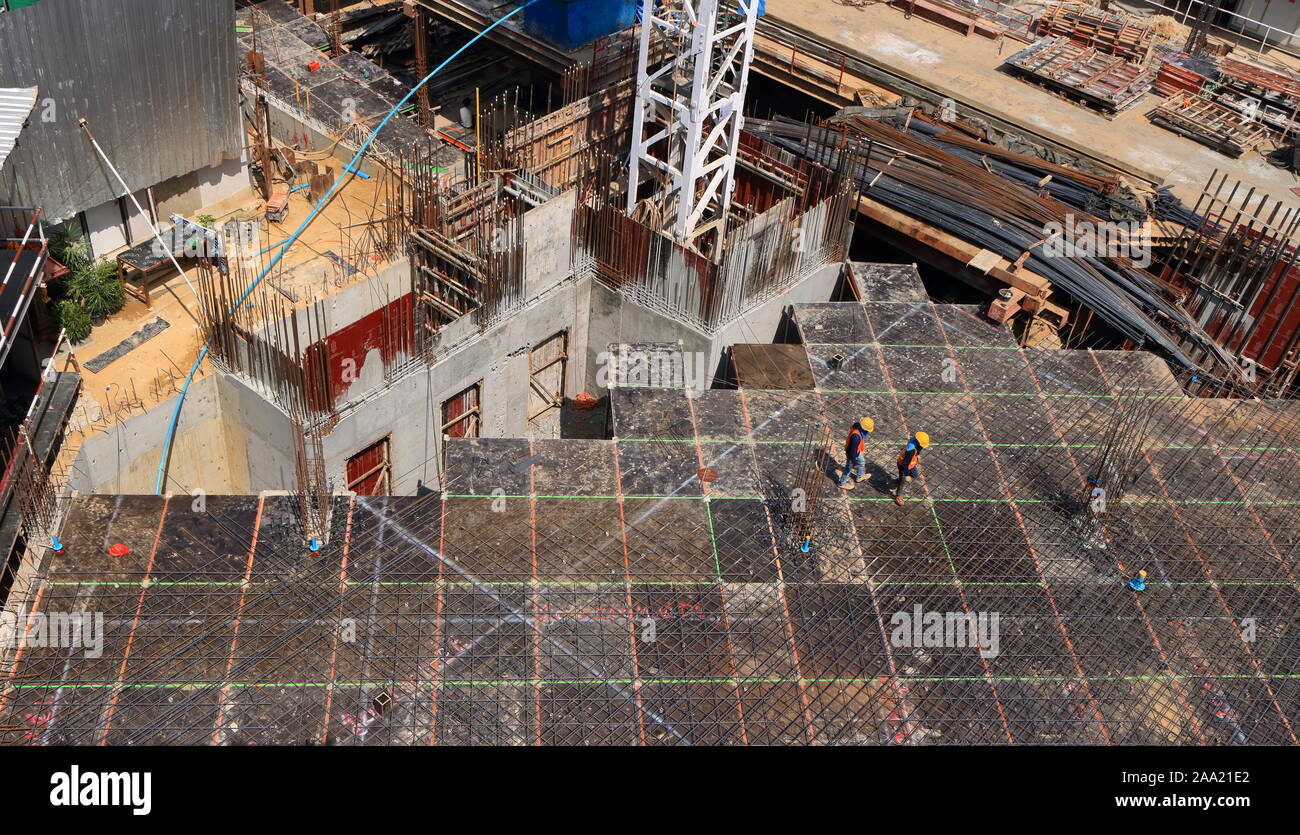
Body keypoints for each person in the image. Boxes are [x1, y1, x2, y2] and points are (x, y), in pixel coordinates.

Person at [838, 417, 874, 489]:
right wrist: (854, 463)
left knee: (861, 462)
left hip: (857, 451)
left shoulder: (857, 426)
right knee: (848, 469)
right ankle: (841, 483)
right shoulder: (856, 437)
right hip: (852, 455)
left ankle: (859, 476)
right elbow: (852, 452)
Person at [894, 431, 929, 505]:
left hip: (911, 465)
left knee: (915, 475)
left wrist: (918, 455)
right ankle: (899, 496)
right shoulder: (911, 451)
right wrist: (906, 475)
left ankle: (900, 479)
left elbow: (918, 449)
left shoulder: (914, 441)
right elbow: (905, 463)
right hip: (903, 466)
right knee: (903, 481)